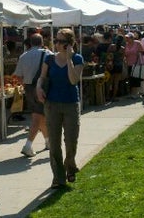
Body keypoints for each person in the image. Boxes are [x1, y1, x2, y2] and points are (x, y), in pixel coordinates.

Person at [36, 28, 84, 189]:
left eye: (61, 41)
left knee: (71, 141)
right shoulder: (49, 59)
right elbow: (42, 78)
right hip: (52, 105)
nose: (56, 44)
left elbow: (73, 81)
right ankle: (58, 177)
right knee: (54, 143)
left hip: (70, 104)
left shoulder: (77, 59)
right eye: (55, 40)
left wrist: (69, 59)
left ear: (70, 44)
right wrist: (38, 88)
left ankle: (70, 166)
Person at [13, 33, 50, 157]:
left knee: (40, 116)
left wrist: (24, 86)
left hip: (28, 88)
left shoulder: (24, 56)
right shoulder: (48, 54)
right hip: (44, 88)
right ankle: (28, 145)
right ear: (42, 42)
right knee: (37, 117)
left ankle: (48, 141)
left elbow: (18, 75)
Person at [124, 32, 144, 99]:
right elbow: (125, 53)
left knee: (135, 79)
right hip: (129, 64)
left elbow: (143, 52)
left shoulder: (137, 43)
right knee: (131, 79)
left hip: (137, 64)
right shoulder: (126, 44)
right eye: (126, 38)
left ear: (132, 38)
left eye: (128, 38)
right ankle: (133, 93)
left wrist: (138, 53)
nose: (126, 39)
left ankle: (135, 93)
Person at [107, 35, 126, 102]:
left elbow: (108, 55)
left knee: (110, 81)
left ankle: (108, 96)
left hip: (111, 65)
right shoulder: (122, 48)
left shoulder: (111, 46)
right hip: (119, 65)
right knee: (116, 82)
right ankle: (114, 97)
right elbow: (122, 58)